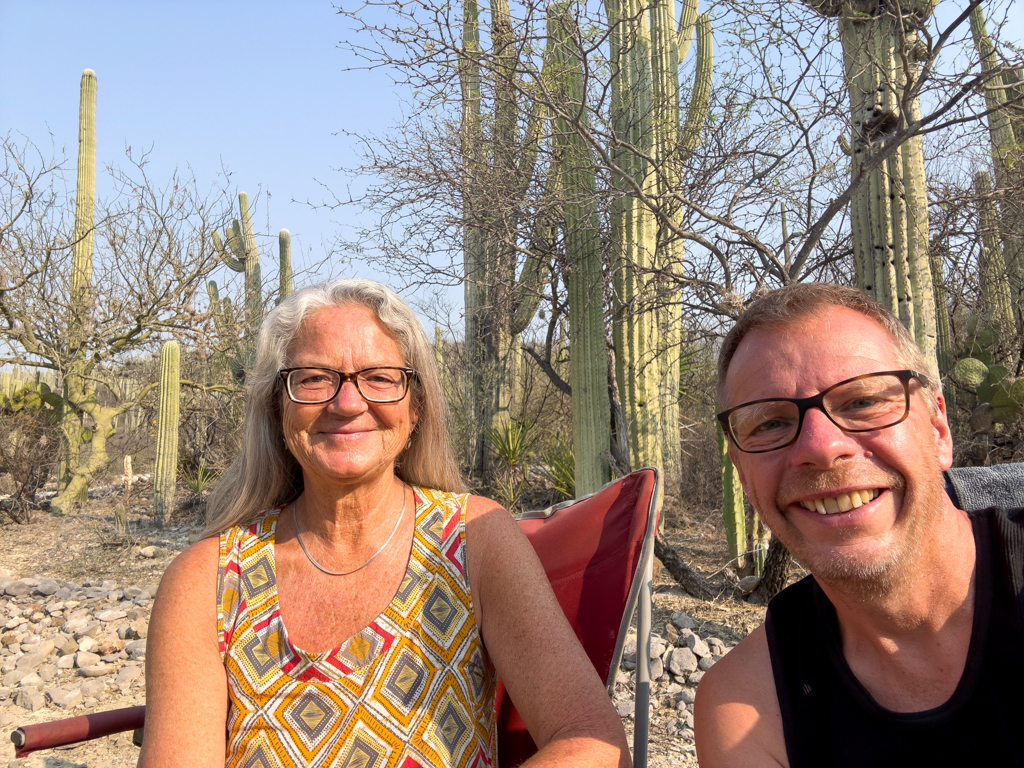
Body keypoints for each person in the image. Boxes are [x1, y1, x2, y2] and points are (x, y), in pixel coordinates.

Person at [139, 279, 630, 767]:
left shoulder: (473, 540)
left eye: (379, 377)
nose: (347, 404)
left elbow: (590, 742)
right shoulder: (205, 581)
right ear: (278, 406)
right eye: (313, 378)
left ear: (416, 407)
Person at [694, 283, 1024, 768]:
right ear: (742, 474)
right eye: (769, 424)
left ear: (937, 430)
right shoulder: (749, 707)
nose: (821, 447)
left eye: (862, 402)